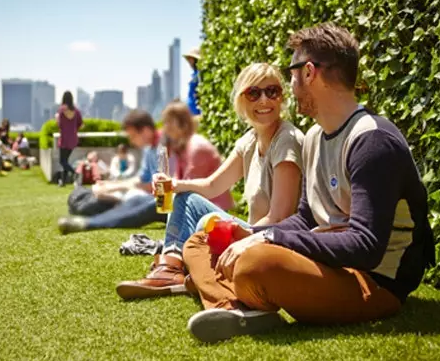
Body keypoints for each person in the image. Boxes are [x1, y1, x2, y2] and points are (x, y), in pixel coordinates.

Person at [182, 23, 436, 343]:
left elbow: (365, 247)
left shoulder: (373, 140)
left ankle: (235, 296)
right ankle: (236, 307)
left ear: (309, 72)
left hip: (372, 282)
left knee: (256, 263)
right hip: (326, 265)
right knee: (203, 240)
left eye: (291, 74)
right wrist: (252, 233)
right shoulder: (315, 136)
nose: (290, 85)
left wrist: (269, 239)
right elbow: (305, 218)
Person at [116, 64, 303, 300]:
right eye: (254, 93)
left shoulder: (286, 141)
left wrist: (237, 234)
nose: (264, 100)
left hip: (271, 240)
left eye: (272, 91)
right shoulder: (250, 140)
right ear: (242, 99)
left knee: (208, 221)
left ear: (281, 97)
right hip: (253, 235)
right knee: (185, 199)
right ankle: (171, 266)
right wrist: (174, 185)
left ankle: (193, 270)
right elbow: (213, 185)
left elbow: (279, 218)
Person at [58, 104, 234, 233]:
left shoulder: (195, 147)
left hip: (203, 209)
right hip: (185, 200)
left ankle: (90, 223)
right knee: (140, 202)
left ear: (184, 125)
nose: (165, 129)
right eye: (165, 124)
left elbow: (192, 189)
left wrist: (163, 190)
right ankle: (89, 215)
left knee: (149, 203)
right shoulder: (176, 147)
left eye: (171, 125)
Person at [56, 91, 83, 186]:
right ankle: (63, 182)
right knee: (65, 161)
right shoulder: (76, 111)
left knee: (62, 161)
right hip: (73, 139)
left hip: (64, 139)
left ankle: (75, 173)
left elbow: (59, 124)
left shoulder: (61, 110)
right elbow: (80, 124)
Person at [183, 47, 202, 116]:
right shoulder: (195, 75)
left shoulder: (199, 74)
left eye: (190, 59)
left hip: (197, 112)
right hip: (192, 112)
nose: (188, 61)